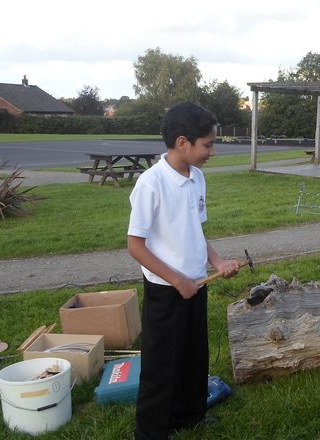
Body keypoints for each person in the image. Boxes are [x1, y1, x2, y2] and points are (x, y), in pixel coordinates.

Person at [127, 102, 239, 439]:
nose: (212, 152)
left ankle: (191, 415)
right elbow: (135, 245)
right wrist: (177, 281)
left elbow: (196, 231)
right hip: (166, 291)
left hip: (197, 284)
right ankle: (152, 430)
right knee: (162, 365)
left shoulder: (198, 178)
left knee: (194, 356)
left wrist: (217, 262)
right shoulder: (151, 184)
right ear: (182, 143)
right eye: (207, 145)